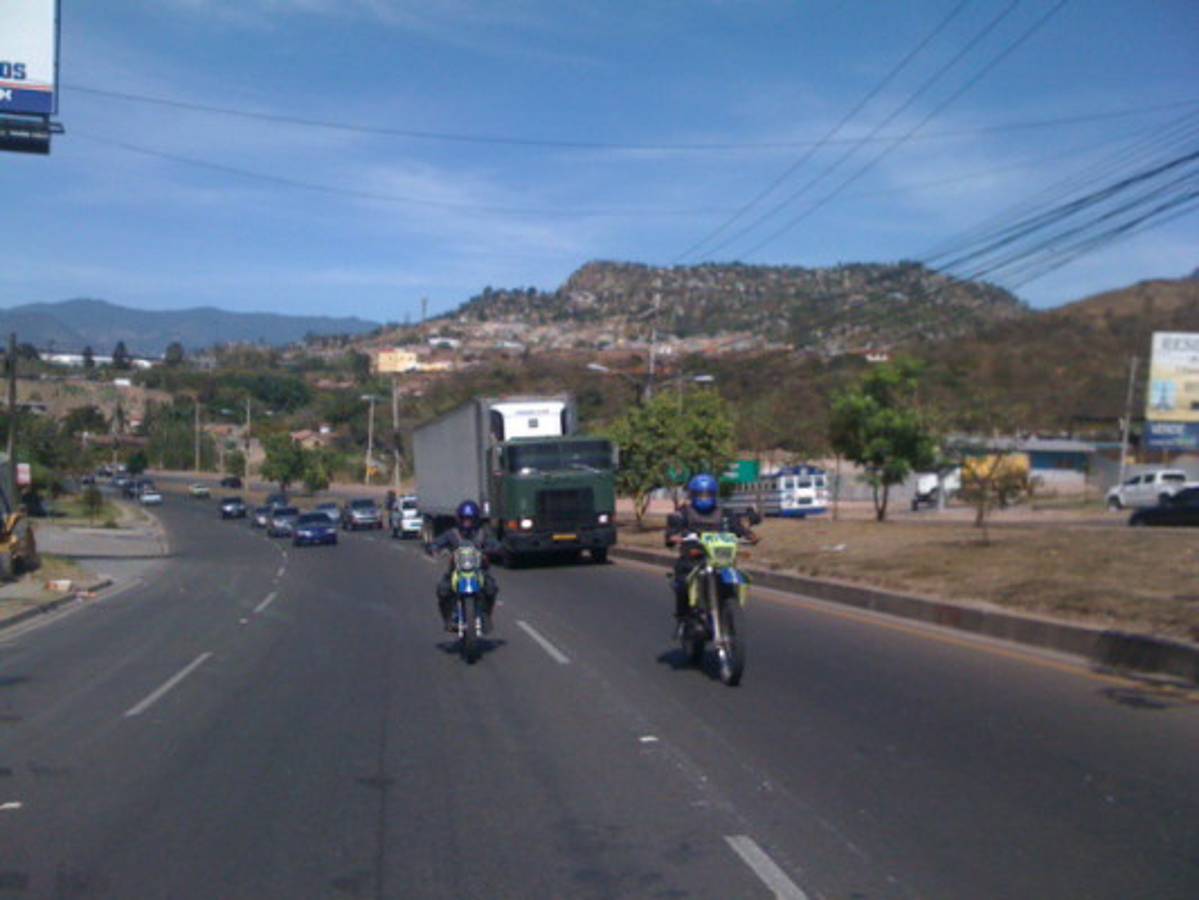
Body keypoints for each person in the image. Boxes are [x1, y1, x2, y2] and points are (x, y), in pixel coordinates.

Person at [665, 473, 758, 633]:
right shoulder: (684, 513)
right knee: (682, 581)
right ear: (693, 495)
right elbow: (672, 531)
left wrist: (748, 534)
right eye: (700, 494)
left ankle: (727, 610)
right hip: (693, 557)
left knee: (733, 578)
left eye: (708, 494)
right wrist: (674, 537)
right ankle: (683, 618)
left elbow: (737, 527)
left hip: (720, 558)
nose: (704, 498)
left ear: (714, 494)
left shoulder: (725, 513)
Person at [426, 500, 500, 633]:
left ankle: (486, 615)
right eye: (465, 519)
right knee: (443, 590)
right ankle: (448, 618)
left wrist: (492, 550)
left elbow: (495, 545)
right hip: (456, 572)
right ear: (459, 519)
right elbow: (437, 542)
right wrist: (434, 547)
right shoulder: (452, 534)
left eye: (470, 519)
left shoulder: (483, 533)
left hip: (479, 571)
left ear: (476, 519)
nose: (467, 522)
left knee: (491, 588)